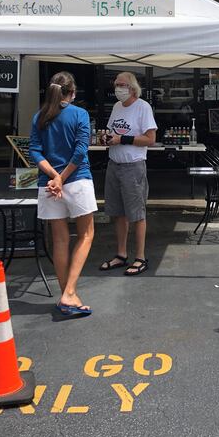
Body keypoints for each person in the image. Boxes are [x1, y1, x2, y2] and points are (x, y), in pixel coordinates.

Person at [29, 71, 96, 317]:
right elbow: (80, 151)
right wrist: (62, 177)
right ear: (73, 92)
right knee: (86, 234)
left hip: (47, 184)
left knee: (59, 240)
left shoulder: (39, 116)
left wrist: (53, 176)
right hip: (76, 180)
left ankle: (66, 294)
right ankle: (69, 293)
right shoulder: (80, 114)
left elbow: (34, 151)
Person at [99, 72, 157, 276]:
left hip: (133, 166)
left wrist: (122, 140)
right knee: (118, 213)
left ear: (132, 88)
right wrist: (106, 138)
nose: (117, 88)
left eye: (121, 85)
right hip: (114, 164)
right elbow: (111, 131)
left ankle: (140, 257)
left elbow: (150, 139)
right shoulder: (116, 107)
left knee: (137, 213)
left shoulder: (142, 107)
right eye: (115, 84)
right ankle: (121, 254)